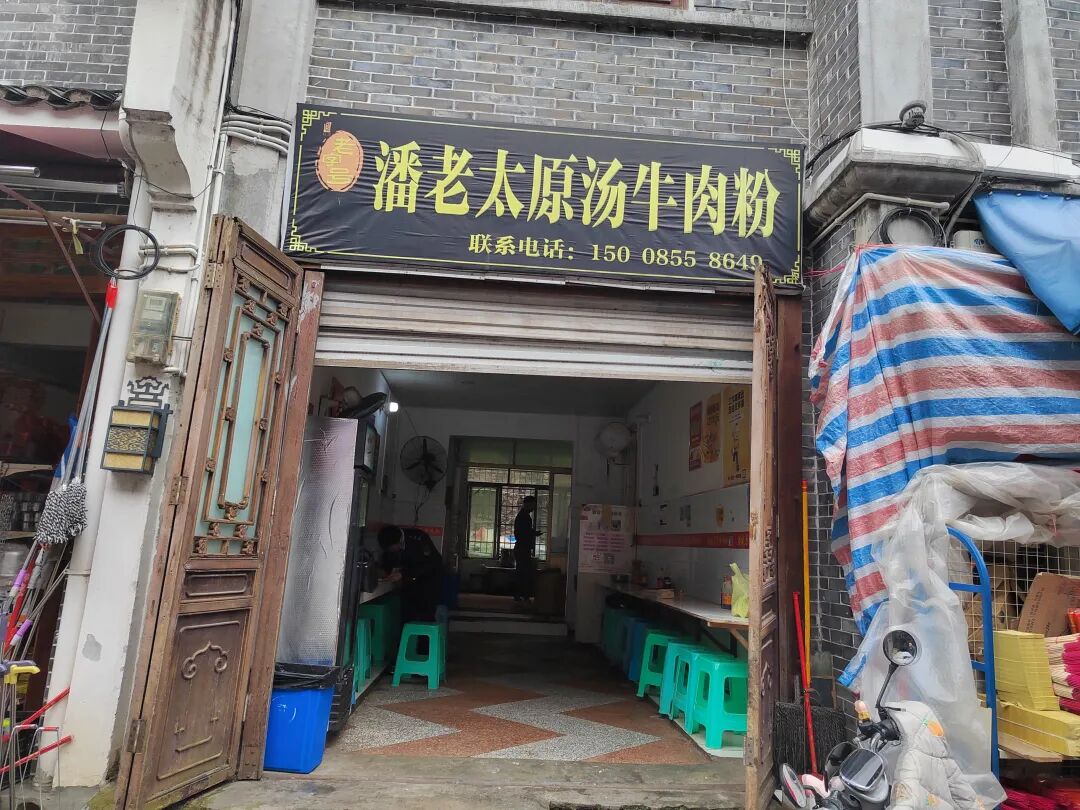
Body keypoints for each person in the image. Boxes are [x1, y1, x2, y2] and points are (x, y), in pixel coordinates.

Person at [377, 524, 444, 623]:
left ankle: (426, 632)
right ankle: (408, 631)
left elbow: (431, 563)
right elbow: (388, 561)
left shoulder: (419, 538)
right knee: (407, 614)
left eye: (392, 548)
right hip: (409, 583)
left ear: (398, 542)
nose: (391, 551)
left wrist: (402, 574)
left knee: (425, 614)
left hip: (429, 580)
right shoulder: (390, 544)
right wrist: (386, 571)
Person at [512, 496, 539, 603]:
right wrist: (532, 534)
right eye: (533, 505)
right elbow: (523, 533)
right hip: (522, 548)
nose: (534, 507)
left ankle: (520, 595)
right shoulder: (524, 517)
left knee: (522, 572)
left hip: (521, 548)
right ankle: (522, 595)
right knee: (524, 573)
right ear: (528, 504)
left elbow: (523, 532)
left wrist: (532, 533)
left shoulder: (523, 516)